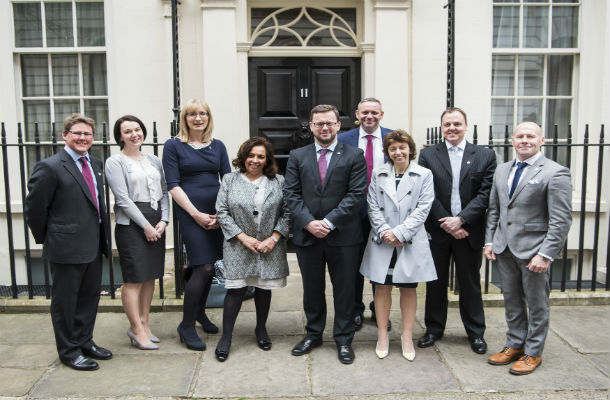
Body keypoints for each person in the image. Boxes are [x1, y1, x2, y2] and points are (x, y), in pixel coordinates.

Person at [25, 113, 112, 371]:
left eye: (87, 134)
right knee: (65, 303)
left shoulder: (95, 163)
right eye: (77, 133)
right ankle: (69, 351)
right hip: (65, 247)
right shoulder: (50, 167)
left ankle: (85, 341)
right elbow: (35, 209)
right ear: (65, 135)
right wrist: (49, 238)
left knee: (89, 298)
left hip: (93, 244)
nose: (83, 138)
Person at [485, 122, 572, 375]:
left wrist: (546, 254)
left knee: (536, 304)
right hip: (505, 248)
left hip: (534, 251)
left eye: (530, 136)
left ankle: (533, 352)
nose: (525, 140)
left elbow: (561, 219)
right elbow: (495, 210)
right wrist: (490, 241)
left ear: (541, 140)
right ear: (512, 140)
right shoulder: (502, 170)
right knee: (511, 301)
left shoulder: (556, 173)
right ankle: (514, 344)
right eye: (520, 136)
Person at [284, 104, 367, 364]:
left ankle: (343, 339)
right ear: (311, 127)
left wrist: (329, 222)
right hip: (308, 235)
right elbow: (291, 194)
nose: (324, 127)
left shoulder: (355, 155)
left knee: (344, 290)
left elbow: (356, 195)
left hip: (343, 236)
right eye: (319, 123)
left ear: (338, 125)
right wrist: (309, 222)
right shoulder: (298, 156)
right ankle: (314, 333)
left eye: (329, 123)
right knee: (312, 289)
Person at [417, 107, 496, 354]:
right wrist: (447, 222)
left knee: (470, 284)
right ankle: (433, 329)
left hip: (469, 231)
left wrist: (461, 220)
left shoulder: (485, 155)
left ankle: (475, 333)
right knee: (435, 283)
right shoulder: (428, 155)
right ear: (441, 127)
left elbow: (486, 193)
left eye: (457, 124)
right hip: (438, 231)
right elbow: (425, 193)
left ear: (466, 126)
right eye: (447, 124)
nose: (452, 128)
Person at [360, 130, 437, 361]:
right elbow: (372, 204)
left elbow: (424, 207)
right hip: (382, 240)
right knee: (381, 287)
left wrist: (401, 232)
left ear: (410, 150)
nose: (398, 152)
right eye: (393, 149)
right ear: (388, 152)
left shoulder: (424, 174)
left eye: (402, 147)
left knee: (408, 288)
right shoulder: (379, 173)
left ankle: (406, 336)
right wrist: (385, 231)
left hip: (409, 240)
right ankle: (382, 335)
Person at [214, 137, 291, 362]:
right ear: (243, 157)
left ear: (267, 160)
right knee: (235, 290)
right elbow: (222, 211)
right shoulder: (230, 179)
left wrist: (274, 238)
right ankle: (226, 337)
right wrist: (243, 237)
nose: (255, 160)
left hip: (269, 246)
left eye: (260, 156)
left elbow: (288, 212)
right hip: (238, 244)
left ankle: (261, 329)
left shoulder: (278, 181)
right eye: (251, 155)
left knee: (263, 288)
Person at [162, 99, 231, 351]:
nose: (198, 118)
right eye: (192, 114)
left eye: (202, 114)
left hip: (216, 214)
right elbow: (173, 184)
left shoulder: (218, 146)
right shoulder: (173, 146)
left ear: (208, 117)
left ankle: (200, 314)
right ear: (185, 119)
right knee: (202, 266)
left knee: (210, 266)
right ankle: (187, 325)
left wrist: (220, 215)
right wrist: (196, 214)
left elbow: (228, 181)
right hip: (190, 214)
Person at [105, 115, 169, 350]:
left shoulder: (153, 160)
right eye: (128, 131)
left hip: (155, 220)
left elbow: (164, 191)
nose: (134, 134)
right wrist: (145, 226)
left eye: (137, 129)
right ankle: (135, 328)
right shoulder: (115, 162)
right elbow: (122, 199)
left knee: (150, 276)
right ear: (120, 136)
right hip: (131, 224)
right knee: (134, 279)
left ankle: (145, 323)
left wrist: (164, 219)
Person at [338, 97, 392, 331]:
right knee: (354, 264)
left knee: (382, 264)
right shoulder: (343, 139)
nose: (370, 116)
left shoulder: (393, 138)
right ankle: (355, 310)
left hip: (385, 211)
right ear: (357, 114)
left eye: (374, 112)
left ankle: (379, 309)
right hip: (353, 211)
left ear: (382, 115)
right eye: (365, 112)